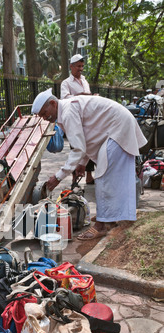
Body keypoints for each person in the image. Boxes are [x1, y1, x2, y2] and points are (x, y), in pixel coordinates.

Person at [31, 88, 147, 240]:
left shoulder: (67, 112)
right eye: (42, 116)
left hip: (118, 127)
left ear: (53, 103)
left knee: (104, 177)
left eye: (45, 113)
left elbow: (79, 147)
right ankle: (109, 217)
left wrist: (59, 176)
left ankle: (101, 225)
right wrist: (82, 163)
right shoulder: (65, 111)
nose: (45, 118)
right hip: (116, 127)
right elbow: (84, 139)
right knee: (111, 178)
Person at [61, 54, 94, 184]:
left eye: (82, 66)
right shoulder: (66, 83)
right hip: (74, 120)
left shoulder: (85, 81)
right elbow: (64, 99)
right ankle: (74, 177)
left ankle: (89, 175)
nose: (80, 69)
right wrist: (80, 95)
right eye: (78, 66)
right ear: (71, 66)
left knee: (90, 146)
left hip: (87, 119)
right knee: (76, 147)